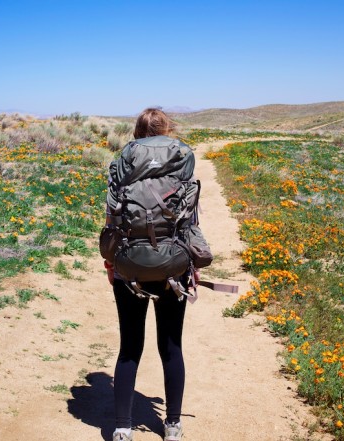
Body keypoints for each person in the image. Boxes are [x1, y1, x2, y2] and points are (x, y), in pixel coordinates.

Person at [105, 108, 198, 441]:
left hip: (129, 266)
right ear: (167, 129)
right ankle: (172, 425)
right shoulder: (182, 160)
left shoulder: (121, 164)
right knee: (171, 346)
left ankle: (122, 427)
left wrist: (111, 264)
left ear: (136, 132)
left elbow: (112, 220)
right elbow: (190, 220)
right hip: (174, 265)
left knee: (130, 346)